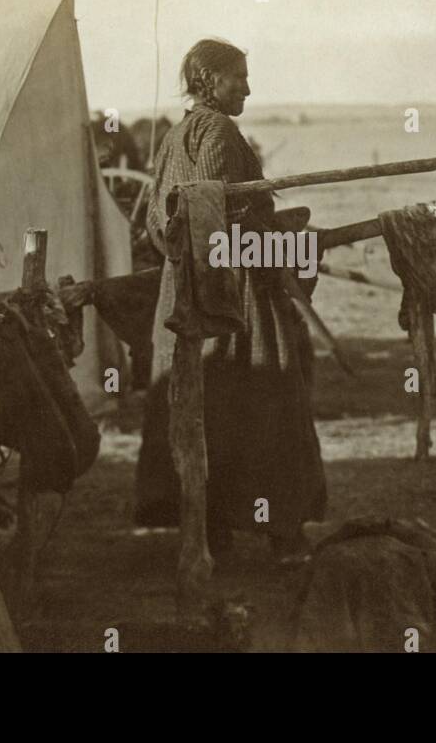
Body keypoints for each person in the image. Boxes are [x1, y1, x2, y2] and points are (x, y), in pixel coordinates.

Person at [135, 38, 326, 558]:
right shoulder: (218, 130)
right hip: (234, 295)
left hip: (188, 293)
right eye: (236, 76)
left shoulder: (176, 136)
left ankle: (211, 530)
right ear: (207, 82)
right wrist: (282, 243)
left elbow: (162, 221)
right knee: (271, 401)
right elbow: (216, 217)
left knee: (209, 408)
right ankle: (282, 533)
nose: (247, 86)